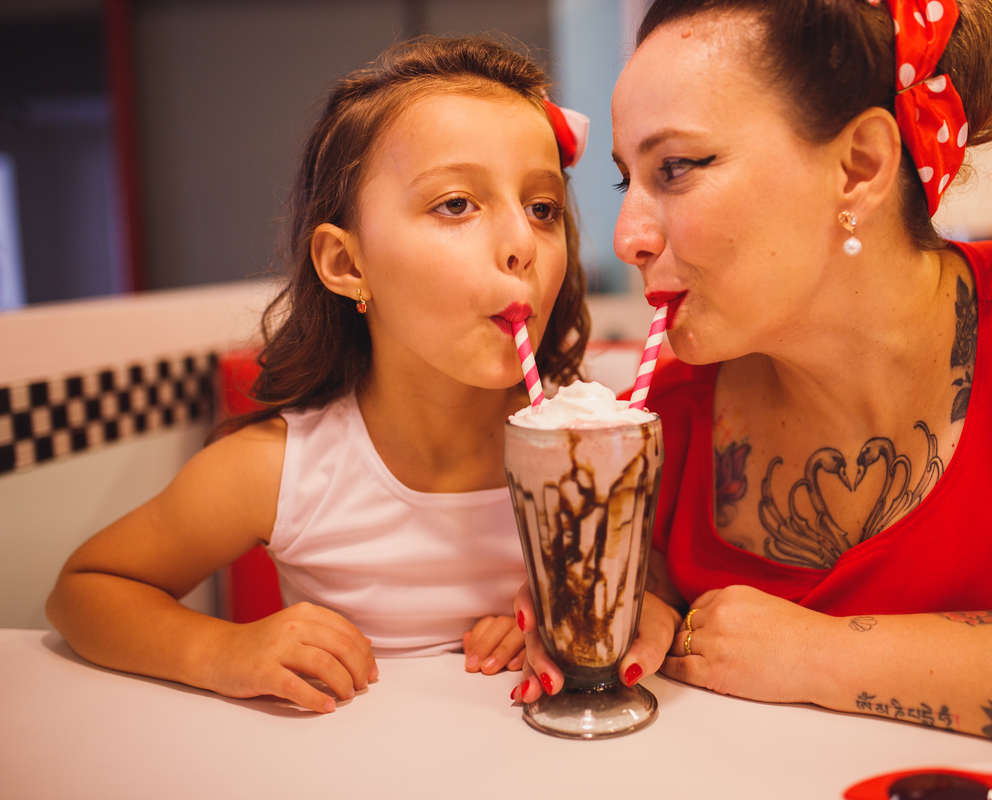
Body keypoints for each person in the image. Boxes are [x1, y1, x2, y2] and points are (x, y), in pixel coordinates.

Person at [515, 0, 992, 745]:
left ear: (859, 167)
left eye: (676, 168)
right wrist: (629, 612)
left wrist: (822, 655)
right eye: (627, 182)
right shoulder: (667, 417)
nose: (628, 238)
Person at [45, 36, 590, 714]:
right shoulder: (279, 469)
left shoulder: (594, 445)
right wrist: (222, 651)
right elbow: (83, 588)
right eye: (456, 204)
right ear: (346, 264)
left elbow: (657, 592)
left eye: (542, 209)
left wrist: (561, 628)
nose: (521, 245)